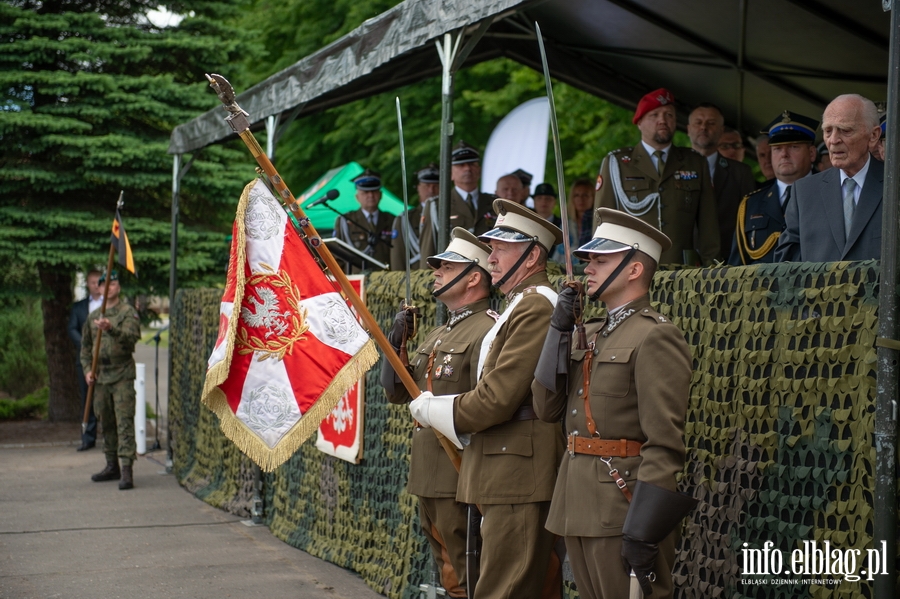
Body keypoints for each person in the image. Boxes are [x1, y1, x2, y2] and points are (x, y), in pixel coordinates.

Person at [532, 208, 693, 599]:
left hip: (622, 505)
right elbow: (545, 407)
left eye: (601, 260)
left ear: (634, 270)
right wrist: (558, 332)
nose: (588, 267)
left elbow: (665, 443)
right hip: (577, 499)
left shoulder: (655, 336)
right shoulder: (590, 331)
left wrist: (644, 527)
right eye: (589, 259)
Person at [409, 200, 565, 599]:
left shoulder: (537, 304)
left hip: (519, 471)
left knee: (504, 588)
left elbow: (496, 399)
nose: (490, 257)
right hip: (504, 466)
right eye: (490, 247)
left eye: (501, 248)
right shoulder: (522, 303)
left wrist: (434, 410)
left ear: (532, 256)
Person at [381, 228, 496, 599]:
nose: (436, 273)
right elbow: (398, 391)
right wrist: (396, 341)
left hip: (460, 471)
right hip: (429, 470)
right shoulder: (439, 332)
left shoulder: (489, 329)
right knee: (446, 570)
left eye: (446, 267)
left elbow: (489, 403)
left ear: (474, 277)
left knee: (467, 572)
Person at [595, 88, 720, 265]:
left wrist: (713, 270)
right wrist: (601, 266)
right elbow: (603, 222)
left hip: (683, 271)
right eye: (654, 115)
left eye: (669, 115)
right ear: (639, 122)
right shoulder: (617, 163)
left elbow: (709, 226)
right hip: (630, 268)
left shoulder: (695, 163)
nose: (663, 120)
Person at [775, 94, 883, 262]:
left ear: (873, 135)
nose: (833, 140)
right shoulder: (804, 191)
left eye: (845, 130)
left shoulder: (893, 185)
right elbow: (786, 262)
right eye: (827, 131)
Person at [729, 111, 819, 265]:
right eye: (777, 148)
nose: (784, 154)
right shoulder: (751, 204)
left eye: (793, 147)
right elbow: (737, 266)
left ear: (811, 153)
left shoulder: (833, 194)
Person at [80, 271, 141, 490]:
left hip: (121, 374)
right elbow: (86, 347)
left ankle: (126, 469)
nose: (108, 288)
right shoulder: (94, 315)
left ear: (118, 287)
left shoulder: (127, 312)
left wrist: (111, 329)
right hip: (101, 378)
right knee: (106, 422)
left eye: (113, 283)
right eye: (103, 284)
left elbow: (131, 338)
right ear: (98, 288)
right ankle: (111, 465)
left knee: (124, 422)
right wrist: (88, 370)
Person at [687, 103, 756, 262]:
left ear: (721, 130)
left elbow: (749, 222)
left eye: (711, 123)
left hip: (727, 262)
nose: (704, 127)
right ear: (689, 129)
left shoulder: (740, 172)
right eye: (698, 122)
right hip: (681, 260)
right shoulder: (672, 169)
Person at [419, 141, 497, 268]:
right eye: (461, 165)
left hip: (491, 275)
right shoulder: (437, 205)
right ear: (450, 173)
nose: (467, 168)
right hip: (453, 278)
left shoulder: (494, 203)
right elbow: (428, 251)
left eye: (472, 163)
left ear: (479, 170)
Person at [68, 269, 102, 451]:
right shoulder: (79, 307)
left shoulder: (110, 305)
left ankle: (112, 439)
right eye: (92, 282)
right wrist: (85, 344)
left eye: (99, 282)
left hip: (106, 360)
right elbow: (72, 328)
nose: (96, 286)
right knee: (87, 399)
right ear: (87, 284)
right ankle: (88, 438)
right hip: (85, 359)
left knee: (106, 399)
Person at [334, 169, 394, 269]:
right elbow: (337, 257)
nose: (370, 195)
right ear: (357, 197)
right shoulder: (345, 221)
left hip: (386, 279)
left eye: (374, 191)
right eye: (365, 192)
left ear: (381, 195)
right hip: (357, 279)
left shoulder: (392, 220)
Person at [390, 163, 440, 271]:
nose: (431, 190)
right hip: (415, 280)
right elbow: (398, 257)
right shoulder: (405, 219)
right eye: (426, 186)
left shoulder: (448, 214)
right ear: (418, 188)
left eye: (436, 186)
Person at [567, 177, 595, 247]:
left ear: (593, 198)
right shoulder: (566, 226)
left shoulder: (598, 224)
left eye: (585, 195)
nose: (580, 199)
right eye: (576, 195)